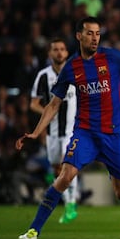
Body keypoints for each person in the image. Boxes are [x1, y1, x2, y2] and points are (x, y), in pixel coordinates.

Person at [16, 16, 120, 239]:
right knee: (64, 177)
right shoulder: (71, 68)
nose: (95, 38)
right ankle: (33, 230)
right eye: (90, 33)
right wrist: (35, 132)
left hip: (114, 136)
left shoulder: (112, 57)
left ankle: (113, 168)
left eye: (97, 33)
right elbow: (54, 104)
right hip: (85, 133)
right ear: (79, 36)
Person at [29, 37, 79, 223]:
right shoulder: (44, 76)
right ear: (50, 53)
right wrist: (48, 114)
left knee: (68, 167)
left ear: (66, 53)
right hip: (52, 133)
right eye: (55, 49)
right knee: (56, 169)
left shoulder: (75, 73)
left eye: (62, 49)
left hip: (71, 131)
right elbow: (33, 104)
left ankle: (71, 205)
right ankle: (67, 202)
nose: (59, 52)